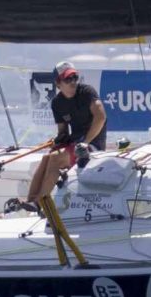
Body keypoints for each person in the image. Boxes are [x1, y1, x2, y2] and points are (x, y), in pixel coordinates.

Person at [22, 65, 107, 213]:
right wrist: (59, 139)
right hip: (75, 143)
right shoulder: (57, 103)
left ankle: (42, 205)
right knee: (46, 158)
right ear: (58, 84)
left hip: (92, 145)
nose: (73, 81)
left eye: (74, 77)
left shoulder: (87, 92)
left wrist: (85, 142)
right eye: (68, 79)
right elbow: (63, 131)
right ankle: (32, 202)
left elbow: (101, 117)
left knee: (55, 159)